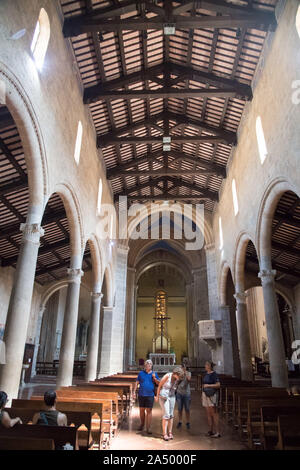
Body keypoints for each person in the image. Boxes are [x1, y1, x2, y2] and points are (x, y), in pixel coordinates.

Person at [155, 366, 183, 441]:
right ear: (175, 373)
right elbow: (159, 386)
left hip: (172, 396)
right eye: (178, 376)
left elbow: (175, 388)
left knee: (171, 415)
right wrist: (157, 396)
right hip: (164, 396)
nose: (179, 378)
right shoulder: (167, 376)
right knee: (166, 414)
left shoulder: (177, 380)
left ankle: (170, 432)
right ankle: (164, 434)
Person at [134, 360, 160, 434]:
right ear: (145, 366)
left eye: (150, 364)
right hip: (141, 394)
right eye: (147, 364)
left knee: (149, 411)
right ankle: (142, 424)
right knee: (141, 410)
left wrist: (154, 378)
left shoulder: (154, 374)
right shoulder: (141, 373)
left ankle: (148, 428)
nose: (148, 365)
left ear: (151, 365)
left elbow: (158, 383)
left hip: (150, 395)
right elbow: (137, 382)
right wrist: (133, 391)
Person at [202, 361, 221, 438]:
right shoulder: (206, 374)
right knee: (208, 413)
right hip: (205, 394)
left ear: (210, 366)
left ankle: (217, 432)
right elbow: (204, 384)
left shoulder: (214, 374)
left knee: (214, 413)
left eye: (206, 364)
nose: (205, 366)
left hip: (212, 395)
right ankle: (211, 430)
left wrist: (208, 385)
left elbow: (218, 385)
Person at [176, 363, 191, 429]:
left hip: (186, 393)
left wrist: (185, 374)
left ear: (185, 368)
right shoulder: (178, 374)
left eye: (183, 368)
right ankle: (180, 421)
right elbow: (176, 382)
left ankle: (188, 422)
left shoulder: (188, 373)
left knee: (187, 408)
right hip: (179, 393)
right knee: (179, 408)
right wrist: (180, 377)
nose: (182, 369)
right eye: (181, 368)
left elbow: (189, 380)